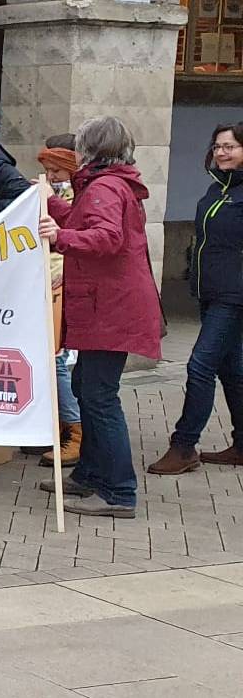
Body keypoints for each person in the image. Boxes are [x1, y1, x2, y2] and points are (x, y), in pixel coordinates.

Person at [39, 116, 152, 518]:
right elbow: (83, 222)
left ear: (90, 149)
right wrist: (48, 201)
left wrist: (60, 237)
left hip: (110, 307)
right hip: (110, 305)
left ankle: (120, 491)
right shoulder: (108, 184)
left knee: (100, 395)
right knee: (85, 385)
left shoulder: (104, 186)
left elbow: (105, 238)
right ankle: (89, 474)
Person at [149, 122, 243, 474]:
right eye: (218, 146)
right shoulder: (218, 189)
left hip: (234, 295)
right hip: (210, 291)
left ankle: (184, 446)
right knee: (231, 368)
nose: (221, 152)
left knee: (199, 366)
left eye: (230, 146)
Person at [37, 135, 82, 466]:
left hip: (63, 285)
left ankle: (77, 429)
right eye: (47, 170)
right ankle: (60, 423)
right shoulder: (52, 192)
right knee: (50, 358)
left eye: (57, 169)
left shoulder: (79, 197)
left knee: (56, 358)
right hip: (45, 281)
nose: (51, 176)